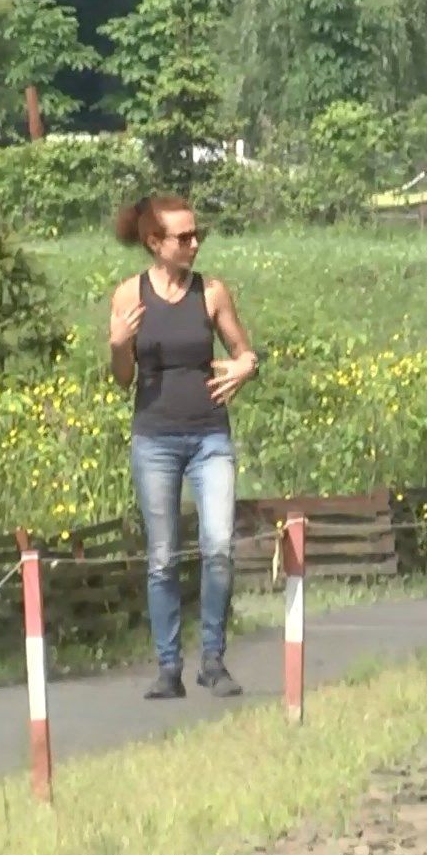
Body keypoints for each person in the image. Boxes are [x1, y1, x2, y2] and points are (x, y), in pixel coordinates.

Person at [107, 194, 260, 699]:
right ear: (155, 243)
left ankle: (212, 660)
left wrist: (244, 365)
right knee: (162, 556)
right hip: (155, 439)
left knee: (217, 547)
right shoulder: (129, 295)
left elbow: (244, 351)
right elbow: (122, 380)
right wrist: (117, 345)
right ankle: (168, 667)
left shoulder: (211, 293)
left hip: (210, 437)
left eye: (199, 236)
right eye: (184, 237)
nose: (195, 244)